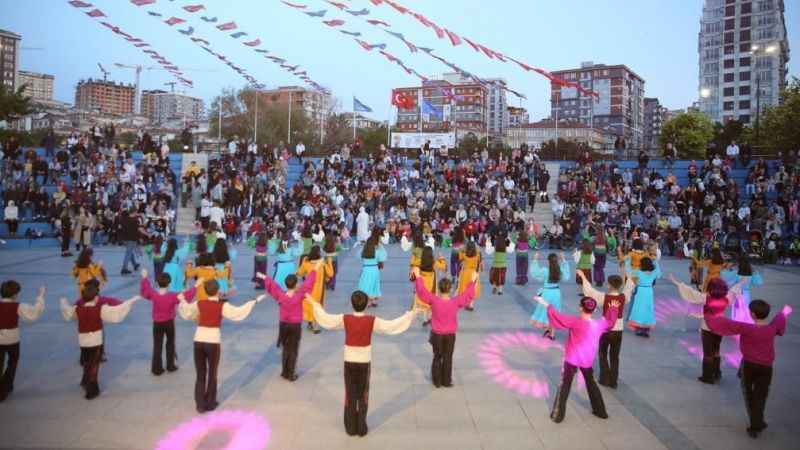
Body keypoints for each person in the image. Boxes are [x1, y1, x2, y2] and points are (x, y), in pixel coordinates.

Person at [308, 291, 417, 437]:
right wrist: (410, 315)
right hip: (364, 362)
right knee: (363, 394)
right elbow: (391, 326)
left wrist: (314, 304)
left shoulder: (345, 319)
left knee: (350, 395)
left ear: (352, 304)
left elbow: (327, 319)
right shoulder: (372, 320)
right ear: (366, 304)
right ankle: (361, 427)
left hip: (349, 361)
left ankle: (350, 427)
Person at [706, 300, 791, 439]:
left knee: (748, 393)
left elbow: (727, 325)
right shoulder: (771, 329)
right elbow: (779, 320)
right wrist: (783, 312)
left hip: (749, 366)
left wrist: (709, 317)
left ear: (752, 314)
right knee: (761, 395)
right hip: (766, 368)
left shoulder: (747, 328)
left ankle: (755, 424)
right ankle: (758, 422)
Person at [178, 280, 265, 413]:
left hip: (198, 339)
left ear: (205, 291)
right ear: (217, 291)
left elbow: (187, 311)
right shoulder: (222, 306)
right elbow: (238, 312)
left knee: (201, 373)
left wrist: (182, 301)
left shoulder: (199, 303)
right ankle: (210, 402)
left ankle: (200, 404)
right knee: (212, 373)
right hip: (213, 341)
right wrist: (254, 302)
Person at [534, 295, 618, 423]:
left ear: (580, 308)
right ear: (594, 310)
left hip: (572, 359)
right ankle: (601, 411)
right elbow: (610, 322)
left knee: (564, 385)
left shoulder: (575, 322)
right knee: (591, 383)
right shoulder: (599, 324)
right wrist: (613, 309)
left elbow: (558, 317)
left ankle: (557, 415)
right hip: (587, 360)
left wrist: (546, 304)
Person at [60, 285, 138, 399]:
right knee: (94, 366)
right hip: (95, 341)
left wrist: (63, 302)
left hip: (83, 341)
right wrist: (131, 301)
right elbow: (115, 312)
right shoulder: (99, 309)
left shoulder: (78, 309)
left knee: (87, 362)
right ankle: (92, 390)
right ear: (95, 298)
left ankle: (84, 381)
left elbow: (67, 311)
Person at [671, 275, 743, 384]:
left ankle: (707, 377)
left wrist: (678, 283)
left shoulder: (705, 298)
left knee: (708, 352)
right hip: (720, 326)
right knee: (716, 349)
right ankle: (717, 372)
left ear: (710, 288)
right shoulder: (726, 298)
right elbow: (734, 291)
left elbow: (691, 293)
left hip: (707, 327)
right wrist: (740, 282)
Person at [413, 268, 477, 387]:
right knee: (448, 358)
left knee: (437, 357)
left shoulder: (434, 300)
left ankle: (436, 381)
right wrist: (472, 281)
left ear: (439, 288)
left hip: (436, 335)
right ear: (450, 289)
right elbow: (468, 295)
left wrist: (418, 277)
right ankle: (446, 381)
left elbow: (422, 292)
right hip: (450, 335)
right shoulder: (455, 302)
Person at [256, 271, 317, 381]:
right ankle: (291, 373)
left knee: (285, 348)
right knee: (293, 349)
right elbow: (308, 284)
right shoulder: (299, 295)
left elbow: (273, 286)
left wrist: (263, 276)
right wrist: (314, 271)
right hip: (295, 326)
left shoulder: (281, 295)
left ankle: (284, 372)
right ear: (296, 285)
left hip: (283, 325)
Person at [577, 272, 634, 388]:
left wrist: (583, 277)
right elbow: (628, 289)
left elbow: (591, 292)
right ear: (619, 286)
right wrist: (630, 278)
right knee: (615, 356)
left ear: (609, 285)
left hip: (605, 329)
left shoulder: (605, 297)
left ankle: (604, 378)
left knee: (602, 353)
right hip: (618, 330)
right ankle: (613, 381)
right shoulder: (623, 298)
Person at [140, 269, 198, 375]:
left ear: (157, 283)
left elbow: (145, 291)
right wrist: (195, 287)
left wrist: (144, 278)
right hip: (169, 323)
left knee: (157, 345)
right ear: (169, 283)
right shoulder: (172, 296)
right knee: (170, 343)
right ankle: (170, 365)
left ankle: (156, 368)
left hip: (157, 323)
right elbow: (186, 296)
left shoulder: (153, 294)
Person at [0, 282, 45, 402]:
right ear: (15, 295)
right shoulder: (18, 306)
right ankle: (5, 387)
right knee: (12, 363)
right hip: (12, 339)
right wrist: (40, 296)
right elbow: (33, 313)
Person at [529, 252, 570, 340]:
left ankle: (548, 329)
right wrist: (564, 259)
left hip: (547, 293)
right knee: (554, 313)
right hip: (556, 293)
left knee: (546, 312)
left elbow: (535, 273)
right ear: (557, 261)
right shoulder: (560, 271)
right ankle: (552, 334)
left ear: (548, 262)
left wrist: (535, 259)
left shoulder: (545, 271)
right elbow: (566, 276)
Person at [296, 246, 333, 333]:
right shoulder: (322, 264)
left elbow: (300, 272)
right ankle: (314, 325)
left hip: (308, 288)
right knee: (316, 305)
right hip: (319, 289)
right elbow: (330, 274)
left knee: (309, 305)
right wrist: (330, 262)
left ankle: (310, 323)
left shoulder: (306, 262)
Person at [627, 257, 662, 337]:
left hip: (640, 291)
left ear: (642, 264)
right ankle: (646, 329)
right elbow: (659, 274)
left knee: (639, 308)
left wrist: (628, 262)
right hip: (649, 291)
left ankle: (639, 328)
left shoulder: (638, 272)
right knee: (648, 309)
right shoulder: (653, 273)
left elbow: (629, 272)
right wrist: (656, 262)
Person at [721, 256, 763, 323]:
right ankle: (745, 322)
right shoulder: (750, 275)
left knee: (736, 309)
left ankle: (736, 322)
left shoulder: (737, 274)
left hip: (737, 293)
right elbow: (758, 282)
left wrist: (726, 269)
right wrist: (755, 272)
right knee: (745, 309)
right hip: (746, 294)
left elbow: (729, 281)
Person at [413, 247, 446, 325]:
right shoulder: (433, 262)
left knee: (424, 300)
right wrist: (441, 258)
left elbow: (413, 264)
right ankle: (430, 317)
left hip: (422, 283)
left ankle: (425, 319)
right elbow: (443, 266)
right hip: (431, 283)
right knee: (431, 301)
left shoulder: (420, 261)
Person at [356, 237, 388, 308]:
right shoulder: (377, 251)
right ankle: (373, 301)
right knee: (374, 285)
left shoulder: (364, 251)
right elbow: (383, 257)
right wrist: (381, 246)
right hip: (374, 269)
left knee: (365, 285)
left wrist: (363, 246)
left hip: (366, 269)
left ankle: (366, 301)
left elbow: (357, 256)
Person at [457, 241, 482, 311]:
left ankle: (466, 303)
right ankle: (471, 305)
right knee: (473, 289)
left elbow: (459, 259)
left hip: (465, 273)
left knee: (465, 288)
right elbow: (479, 261)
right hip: (474, 273)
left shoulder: (464, 255)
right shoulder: (477, 255)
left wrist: (461, 249)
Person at [119, 209, 143, 275]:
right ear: (134, 212)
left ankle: (134, 264)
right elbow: (139, 229)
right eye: (136, 212)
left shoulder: (123, 219)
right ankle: (124, 268)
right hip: (132, 239)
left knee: (129, 252)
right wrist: (146, 235)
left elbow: (120, 228)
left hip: (125, 238)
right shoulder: (135, 220)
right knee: (128, 253)